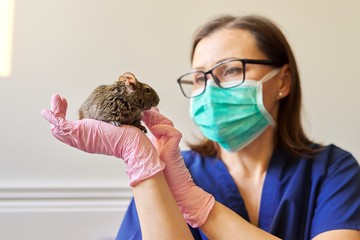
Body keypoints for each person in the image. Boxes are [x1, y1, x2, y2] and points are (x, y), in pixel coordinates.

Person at [41, 14, 360, 240]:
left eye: (231, 70)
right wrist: (138, 158)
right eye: (199, 78)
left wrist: (195, 202)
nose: (210, 89)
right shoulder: (164, 169)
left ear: (283, 82)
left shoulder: (333, 170)